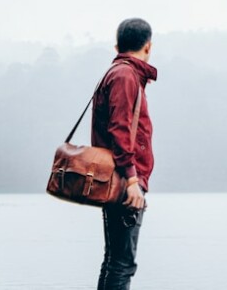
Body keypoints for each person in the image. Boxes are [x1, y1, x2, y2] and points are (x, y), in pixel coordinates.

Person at [91, 18, 157, 289]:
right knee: (122, 265)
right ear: (148, 46)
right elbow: (119, 129)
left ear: (117, 45)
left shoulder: (118, 72)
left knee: (114, 261)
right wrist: (132, 181)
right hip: (123, 181)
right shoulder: (125, 76)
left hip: (117, 179)